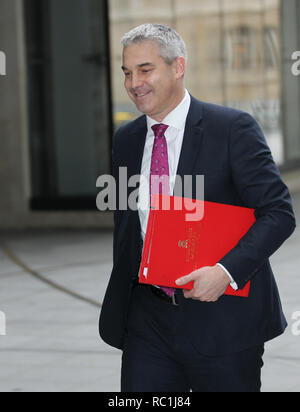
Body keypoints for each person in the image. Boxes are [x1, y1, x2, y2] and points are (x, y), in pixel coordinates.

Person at [99, 23, 296, 392]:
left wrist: (225, 272)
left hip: (223, 322)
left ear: (178, 67)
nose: (133, 82)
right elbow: (128, 225)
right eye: (126, 72)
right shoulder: (126, 139)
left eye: (145, 69)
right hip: (147, 321)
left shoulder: (232, 129)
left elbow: (278, 213)